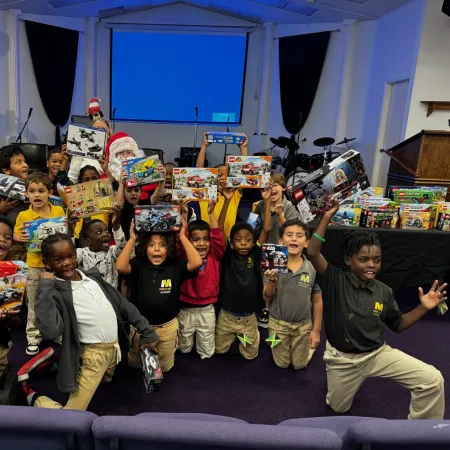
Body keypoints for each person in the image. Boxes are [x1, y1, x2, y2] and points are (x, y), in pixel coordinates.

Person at [307, 201, 446, 419]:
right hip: (342, 359)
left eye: (377, 260)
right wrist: (325, 218)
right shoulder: (334, 279)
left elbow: (398, 325)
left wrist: (423, 307)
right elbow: (312, 252)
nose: (371, 264)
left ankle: (420, 431)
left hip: (376, 353)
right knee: (337, 408)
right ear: (348, 260)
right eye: (364, 259)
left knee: (432, 379)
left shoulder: (384, 291)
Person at [18, 233, 159, 410]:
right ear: (47, 263)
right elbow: (51, 331)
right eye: (59, 259)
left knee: (107, 380)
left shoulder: (92, 278)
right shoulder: (54, 291)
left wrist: (147, 330)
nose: (67, 262)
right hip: (92, 355)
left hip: (114, 348)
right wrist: (45, 286)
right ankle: (34, 397)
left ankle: (56, 362)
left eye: (70, 256)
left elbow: (123, 304)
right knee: (72, 414)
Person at [116, 218, 202, 372]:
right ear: (144, 247)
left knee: (165, 366)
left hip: (167, 327)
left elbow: (196, 263)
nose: (156, 249)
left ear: (169, 248)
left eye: (162, 245)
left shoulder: (175, 265)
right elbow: (121, 267)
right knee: (135, 363)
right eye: (151, 244)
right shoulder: (139, 264)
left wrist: (182, 236)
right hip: (140, 327)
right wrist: (133, 238)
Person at [214, 187, 271, 360]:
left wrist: (267, 201)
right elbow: (219, 229)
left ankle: (244, 337)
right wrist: (226, 201)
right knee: (219, 350)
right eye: (238, 240)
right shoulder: (226, 255)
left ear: (253, 242)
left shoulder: (255, 253)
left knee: (250, 355)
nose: (244, 243)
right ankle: (231, 336)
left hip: (248, 318)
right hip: (226, 317)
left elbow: (266, 229)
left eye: (248, 240)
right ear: (231, 243)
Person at [14, 172, 66, 356]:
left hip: (55, 264)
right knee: (34, 302)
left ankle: (56, 331)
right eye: (32, 191)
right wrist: (20, 237)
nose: (37, 195)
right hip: (34, 264)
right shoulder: (23, 215)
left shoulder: (59, 212)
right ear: (26, 193)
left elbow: (65, 234)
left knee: (57, 300)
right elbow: (16, 235)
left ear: (49, 192)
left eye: (41, 191)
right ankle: (33, 336)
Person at [263, 218, 323, 369]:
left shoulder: (312, 268)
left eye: (299, 235)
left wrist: (316, 330)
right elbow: (266, 297)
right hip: (277, 324)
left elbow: (317, 300)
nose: (294, 238)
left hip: (302, 326)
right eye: (289, 235)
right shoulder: (272, 264)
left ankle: (307, 350)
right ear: (281, 241)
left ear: (307, 242)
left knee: (299, 365)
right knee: (281, 364)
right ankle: (272, 343)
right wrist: (271, 281)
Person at [178, 200, 226, 359]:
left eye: (206, 239)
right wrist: (184, 214)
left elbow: (218, 238)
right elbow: (180, 240)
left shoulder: (215, 255)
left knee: (207, 351)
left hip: (207, 309)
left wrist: (211, 214)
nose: (201, 244)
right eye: (196, 239)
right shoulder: (185, 256)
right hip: (185, 308)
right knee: (184, 348)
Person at [253, 172, 301, 328]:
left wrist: (280, 214)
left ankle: (278, 310)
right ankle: (267, 310)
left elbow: (291, 233)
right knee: (266, 280)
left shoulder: (290, 207)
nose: (271, 189)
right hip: (265, 248)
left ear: (283, 188)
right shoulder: (261, 204)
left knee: (281, 282)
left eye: (275, 185)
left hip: (284, 249)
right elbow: (251, 226)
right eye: (268, 185)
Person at [196, 132, 248, 238]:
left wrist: (243, 148)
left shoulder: (234, 193)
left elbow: (245, 171)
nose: (223, 178)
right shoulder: (205, 193)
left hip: (228, 238)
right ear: (211, 179)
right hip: (207, 238)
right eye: (219, 175)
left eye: (227, 176)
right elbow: (199, 171)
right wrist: (204, 146)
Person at [72, 205, 125, 289]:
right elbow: (69, 256)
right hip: (91, 297)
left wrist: (116, 225)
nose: (105, 234)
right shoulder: (82, 253)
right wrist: (71, 231)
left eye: (106, 230)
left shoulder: (112, 251)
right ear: (88, 241)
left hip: (111, 297)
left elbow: (123, 249)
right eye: (99, 232)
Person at [0, 145, 29, 261]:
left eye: (24, 161)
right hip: (9, 251)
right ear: (7, 170)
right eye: (18, 162)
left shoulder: (33, 186)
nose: (25, 165)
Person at [0, 215, 19, 377]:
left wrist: (9, 316)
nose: (2, 240)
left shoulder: (13, 275)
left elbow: (14, 319)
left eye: (7, 238)